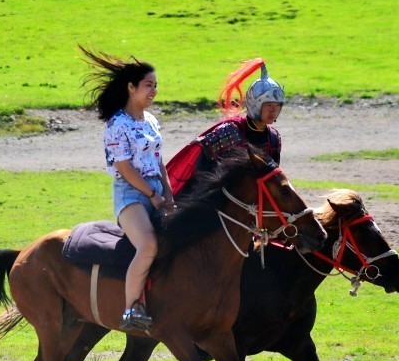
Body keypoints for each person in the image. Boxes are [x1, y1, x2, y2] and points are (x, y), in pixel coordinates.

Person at [81, 45, 173, 332]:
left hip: (156, 191)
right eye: (148, 86)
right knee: (148, 244)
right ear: (131, 87)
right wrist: (152, 195)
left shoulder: (152, 121)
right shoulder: (116, 124)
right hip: (131, 195)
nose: (153, 91)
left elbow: (158, 161)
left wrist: (168, 196)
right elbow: (125, 169)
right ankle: (132, 309)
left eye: (156, 86)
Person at [165, 58, 285, 197]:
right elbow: (202, 169)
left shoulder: (274, 139)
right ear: (254, 104)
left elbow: (271, 178)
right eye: (268, 105)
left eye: (277, 106)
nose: (273, 110)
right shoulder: (229, 132)